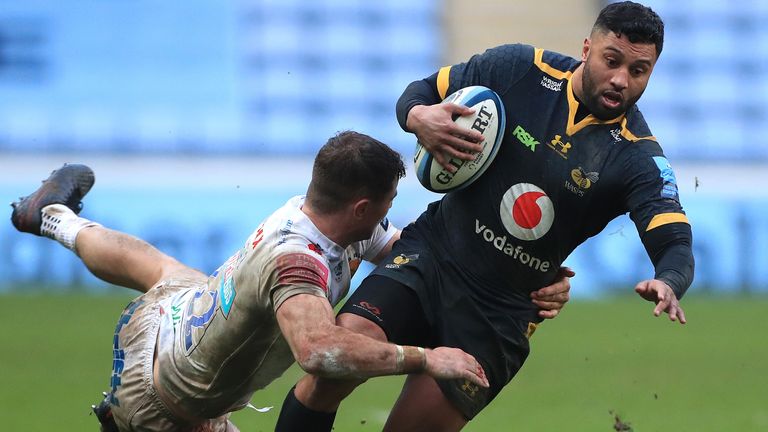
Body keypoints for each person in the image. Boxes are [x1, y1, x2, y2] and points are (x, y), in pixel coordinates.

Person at [275, 2, 695, 431]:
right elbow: (419, 92)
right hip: (432, 258)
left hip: (500, 313)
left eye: (639, 70)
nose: (621, 79)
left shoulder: (638, 158)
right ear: (588, 48)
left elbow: (675, 240)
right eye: (612, 61)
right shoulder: (519, 68)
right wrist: (420, 118)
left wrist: (669, 280)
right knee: (329, 373)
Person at [10, 131, 502, 431]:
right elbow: (317, 351)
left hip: (173, 317)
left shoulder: (321, 215)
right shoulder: (297, 264)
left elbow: (408, 255)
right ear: (360, 206)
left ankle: (53, 218)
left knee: (161, 269)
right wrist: (425, 358)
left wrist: (511, 277)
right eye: (389, 200)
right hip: (169, 405)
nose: (390, 212)